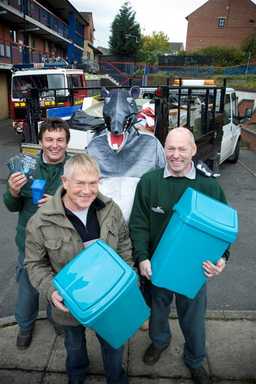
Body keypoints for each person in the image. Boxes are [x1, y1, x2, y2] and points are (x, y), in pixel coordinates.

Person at [129, 127, 229, 384]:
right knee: (158, 312)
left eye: (182, 148)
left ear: (193, 150)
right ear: (164, 150)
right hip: (156, 266)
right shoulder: (149, 182)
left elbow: (223, 230)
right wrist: (142, 257)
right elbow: (138, 224)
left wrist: (222, 260)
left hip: (193, 269)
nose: (175, 154)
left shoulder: (208, 186)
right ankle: (159, 342)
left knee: (193, 318)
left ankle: (195, 359)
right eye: (170, 148)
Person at [25, 154, 132, 384]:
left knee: (114, 345)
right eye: (80, 183)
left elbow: (124, 245)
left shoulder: (111, 210)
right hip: (69, 305)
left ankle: (116, 378)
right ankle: (77, 376)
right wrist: (51, 290)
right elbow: (34, 264)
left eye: (92, 183)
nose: (87, 190)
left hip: (108, 300)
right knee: (74, 346)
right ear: (65, 182)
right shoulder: (40, 221)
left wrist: (128, 281)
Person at [3, 118, 70, 349]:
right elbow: (12, 206)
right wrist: (12, 191)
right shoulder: (27, 166)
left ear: (67, 143)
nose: (54, 145)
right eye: (49, 139)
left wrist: (60, 203)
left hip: (62, 244)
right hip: (30, 243)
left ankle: (57, 319)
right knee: (28, 291)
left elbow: (87, 204)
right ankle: (25, 326)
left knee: (59, 287)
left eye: (60, 140)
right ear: (41, 141)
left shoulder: (73, 169)